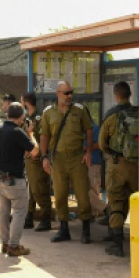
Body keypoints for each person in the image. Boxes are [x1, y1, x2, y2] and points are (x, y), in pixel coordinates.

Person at [39, 81, 95, 244]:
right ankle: (64, 229)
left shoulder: (80, 110)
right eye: (66, 93)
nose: (70, 96)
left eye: (71, 92)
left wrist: (88, 151)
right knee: (60, 195)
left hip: (77, 158)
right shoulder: (48, 113)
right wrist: (44, 157)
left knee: (82, 195)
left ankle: (86, 230)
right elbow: (44, 135)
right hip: (58, 159)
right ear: (58, 94)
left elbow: (89, 130)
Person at [0, 103, 38, 257]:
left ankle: (5, 243)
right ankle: (14, 246)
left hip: (0, 178)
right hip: (15, 180)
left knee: (4, 211)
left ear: (7, 114)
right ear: (22, 117)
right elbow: (34, 151)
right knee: (19, 212)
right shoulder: (18, 132)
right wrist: (31, 134)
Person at [99, 82, 139, 256]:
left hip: (117, 165)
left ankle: (117, 244)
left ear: (116, 96)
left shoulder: (111, 116)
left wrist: (111, 154)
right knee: (136, 200)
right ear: (130, 94)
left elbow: (102, 143)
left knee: (116, 201)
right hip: (137, 166)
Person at [21, 92, 52, 231]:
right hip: (29, 159)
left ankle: (46, 218)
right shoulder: (28, 118)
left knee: (39, 188)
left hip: (36, 159)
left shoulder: (38, 118)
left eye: (22, 101)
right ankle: (29, 216)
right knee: (31, 189)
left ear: (26, 103)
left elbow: (43, 138)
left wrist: (37, 152)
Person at [87, 123, 109, 225]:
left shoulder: (95, 129)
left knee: (92, 190)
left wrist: (86, 149)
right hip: (82, 164)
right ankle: (94, 212)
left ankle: (105, 209)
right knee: (88, 190)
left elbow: (99, 144)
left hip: (93, 163)